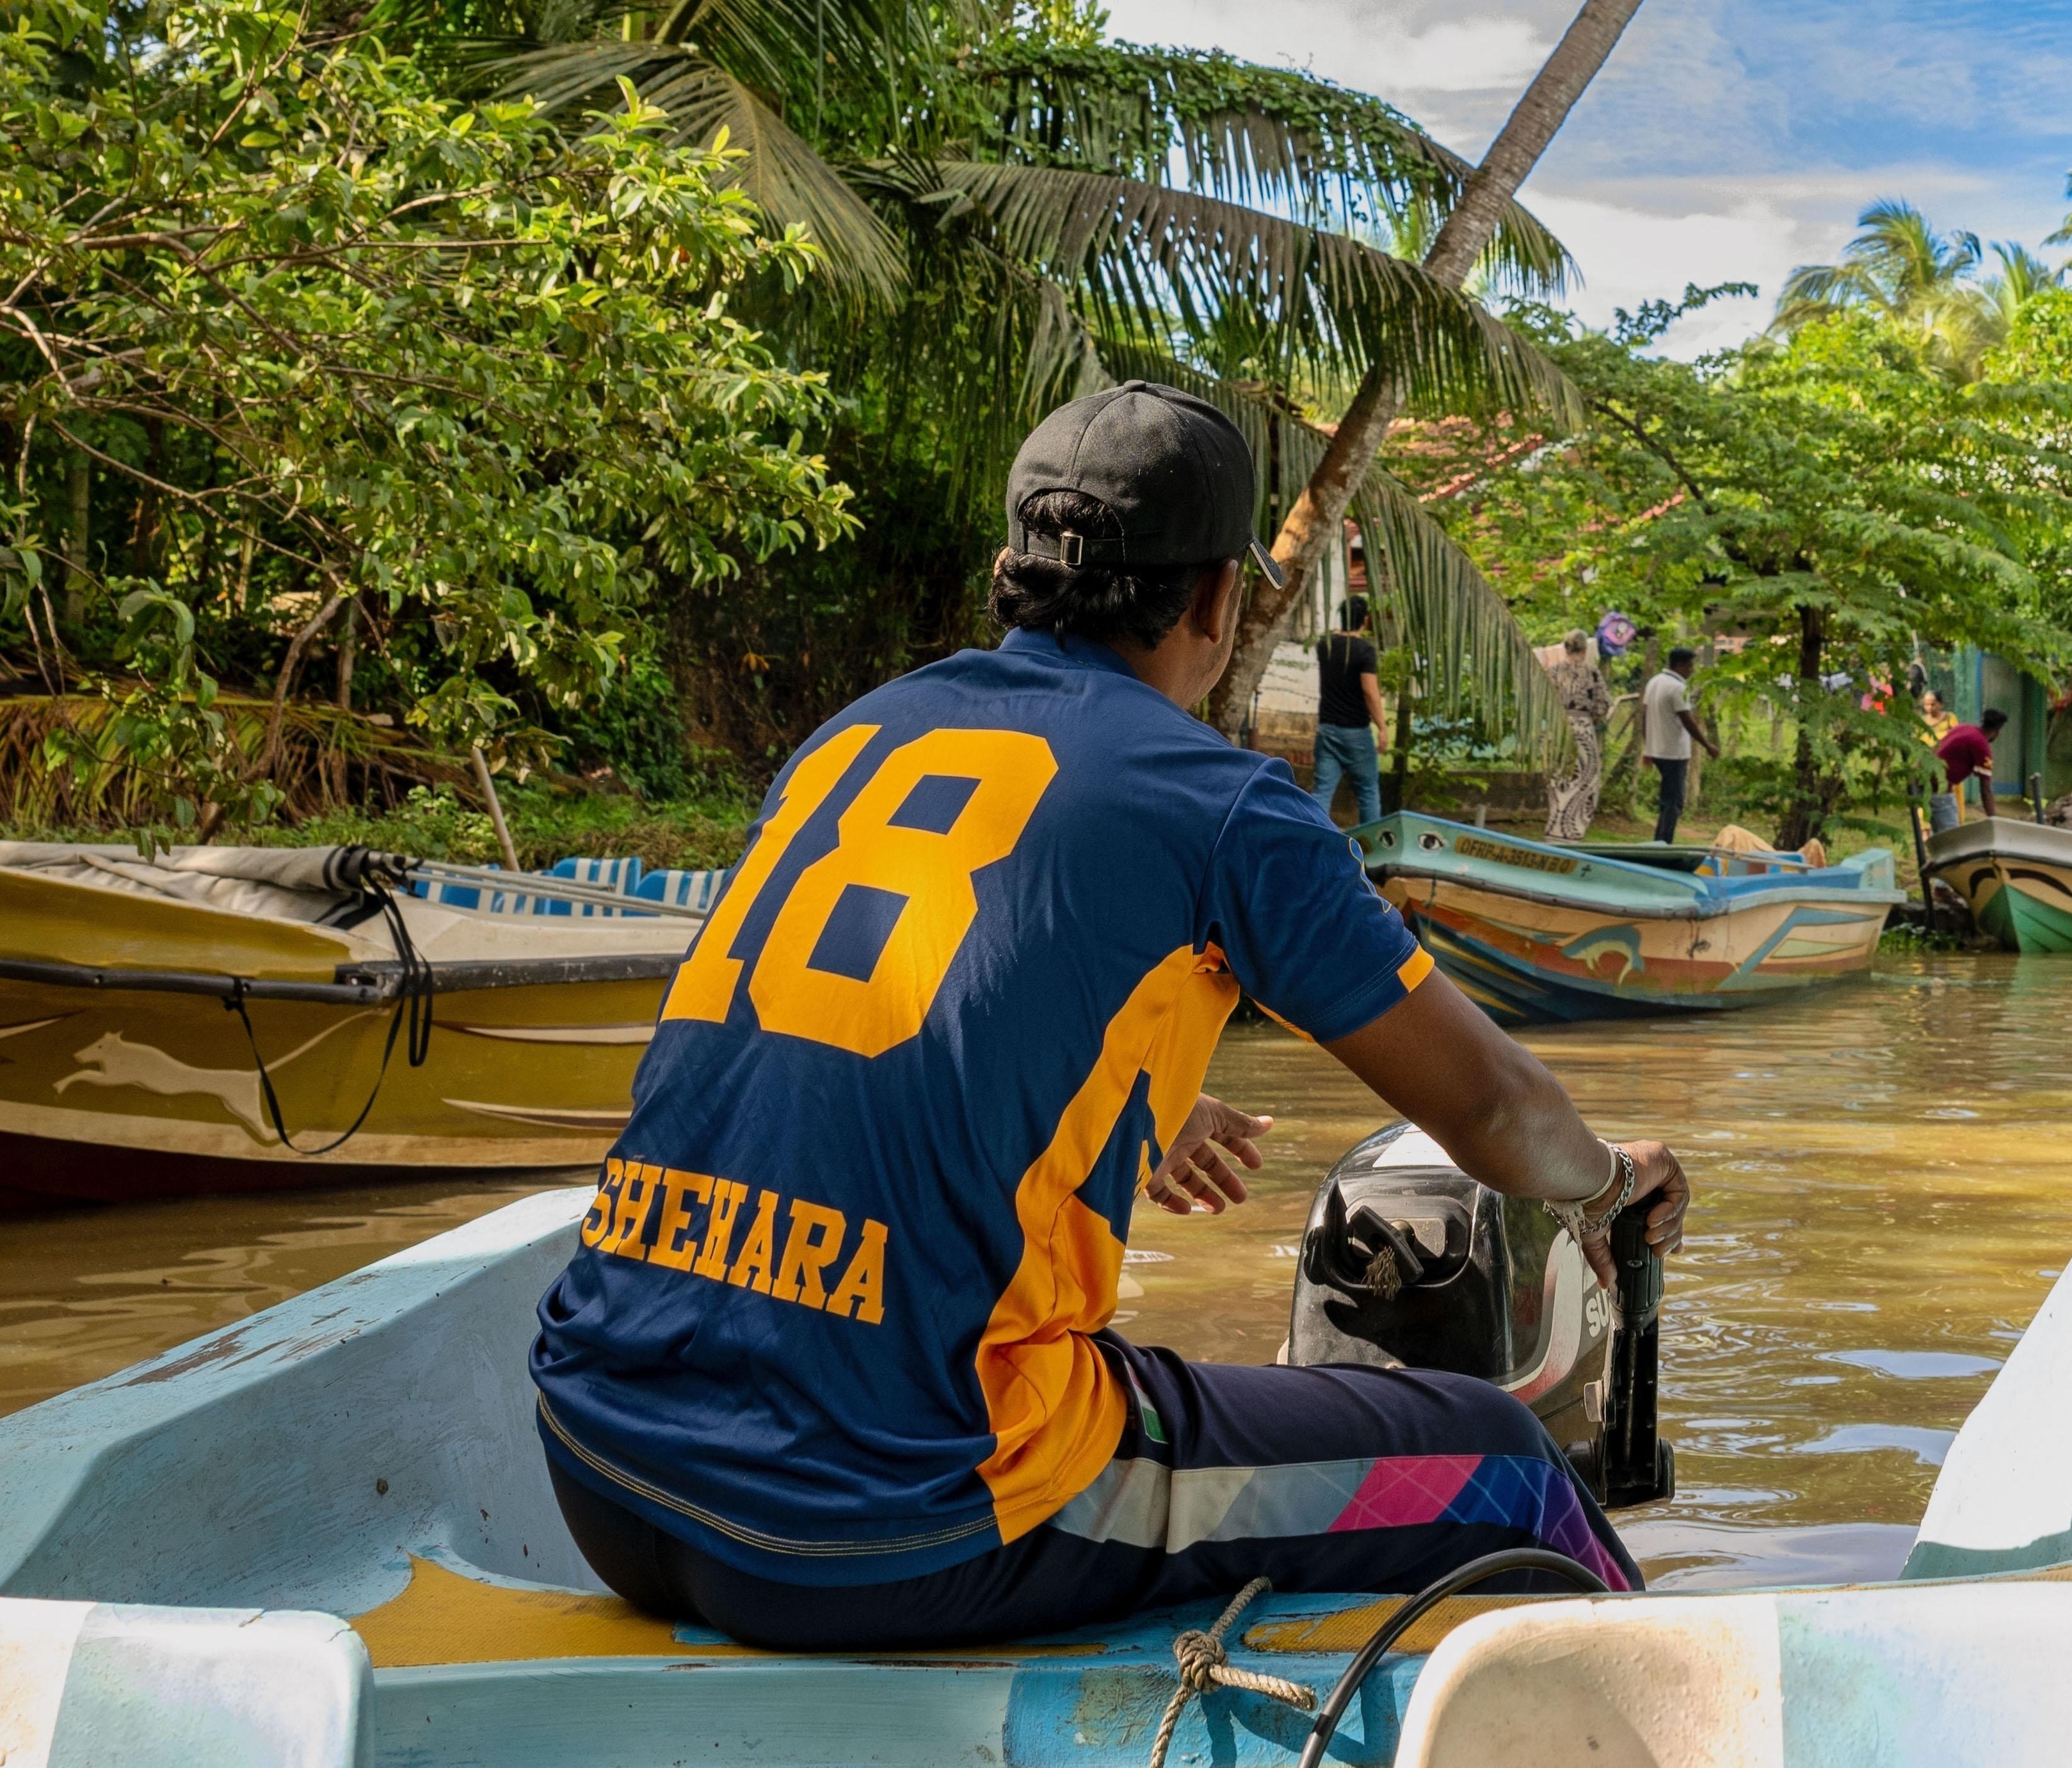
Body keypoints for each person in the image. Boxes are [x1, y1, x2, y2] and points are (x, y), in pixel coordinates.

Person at [527, 382, 1687, 1651]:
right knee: (1505, 1461)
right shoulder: (1220, 805)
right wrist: (1607, 1181)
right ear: (1217, 600)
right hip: (884, 1526)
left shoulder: (851, 734)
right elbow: (1498, 1109)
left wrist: (1152, 1097)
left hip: (599, 1461)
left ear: (1003, 573)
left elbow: (901, 999)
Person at [1313, 597, 1385, 829]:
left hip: (1327, 730)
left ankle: (1313, 841)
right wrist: (1383, 727)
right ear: (1365, 620)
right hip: (1355, 731)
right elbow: (1370, 691)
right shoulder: (1364, 651)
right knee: (1368, 791)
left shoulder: (1325, 645)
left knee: (1322, 792)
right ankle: (1371, 853)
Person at [1639, 645, 1714, 846]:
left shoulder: (1654, 682)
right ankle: (1663, 843)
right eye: (1690, 666)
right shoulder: (1678, 688)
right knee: (1674, 802)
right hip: (1674, 753)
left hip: (1657, 750)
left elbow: (1644, 715)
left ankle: (1660, 840)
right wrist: (1708, 745)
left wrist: (1648, 747)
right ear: (1680, 666)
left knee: (1668, 798)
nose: (1692, 671)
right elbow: (1688, 722)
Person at [1541, 632, 1610, 845]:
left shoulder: (1552, 672)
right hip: (1582, 729)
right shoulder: (1592, 672)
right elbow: (1602, 705)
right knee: (1584, 780)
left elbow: (1543, 702)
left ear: (1565, 648)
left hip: (1557, 729)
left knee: (1557, 778)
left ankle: (1554, 828)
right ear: (1585, 649)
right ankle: (1573, 832)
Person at [1932, 706, 1998, 825]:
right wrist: (1994, 821)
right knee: (1950, 835)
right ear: (1998, 731)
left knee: (1938, 835)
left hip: (1923, 780)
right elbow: (1986, 790)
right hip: (1939, 789)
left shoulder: (1964, 728)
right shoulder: (1982, 745)